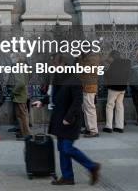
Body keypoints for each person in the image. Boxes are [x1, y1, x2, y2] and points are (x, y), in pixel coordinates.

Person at [32, 53, 101, 186]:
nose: (53, 67)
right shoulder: (58, 77)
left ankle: (92, 166)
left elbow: (78, 100)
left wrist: (69, 117)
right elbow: (54, 96)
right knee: (62, 148)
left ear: (63, 64)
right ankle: (67, 177)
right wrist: (42, 101)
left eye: (55, 65)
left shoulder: (74, 78)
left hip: (71, 119)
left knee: (67, 148)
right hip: (59, 118)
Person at [103, 50, 131, 133]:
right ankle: (119, 126)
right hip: (122, 88)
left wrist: (105, 72)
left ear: (112, 57)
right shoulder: (126, 63)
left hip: (114, 88)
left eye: (110, 57)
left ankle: (109, 126)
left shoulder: (114, 64)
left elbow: (109, 75)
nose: (109, 59)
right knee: (119, 106)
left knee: (110, 106)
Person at [80, 51, 100, 138]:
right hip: (86, 86)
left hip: (89, 87)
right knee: (86, 109)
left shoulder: (91, 59)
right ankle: (89, 128)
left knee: (90, 108)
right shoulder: (88, 59)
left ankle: (93, 130)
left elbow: (84, 70)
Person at [12, 54, 31, 141]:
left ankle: (26, 134)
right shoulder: (24, 66)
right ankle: (23, 132)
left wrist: (13, 91)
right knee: (22, 115)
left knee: (22, 115)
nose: (11, 59)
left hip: (19, 95)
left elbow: (20, 83)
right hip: (23, 94)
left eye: (12, 57)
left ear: (17, 58)